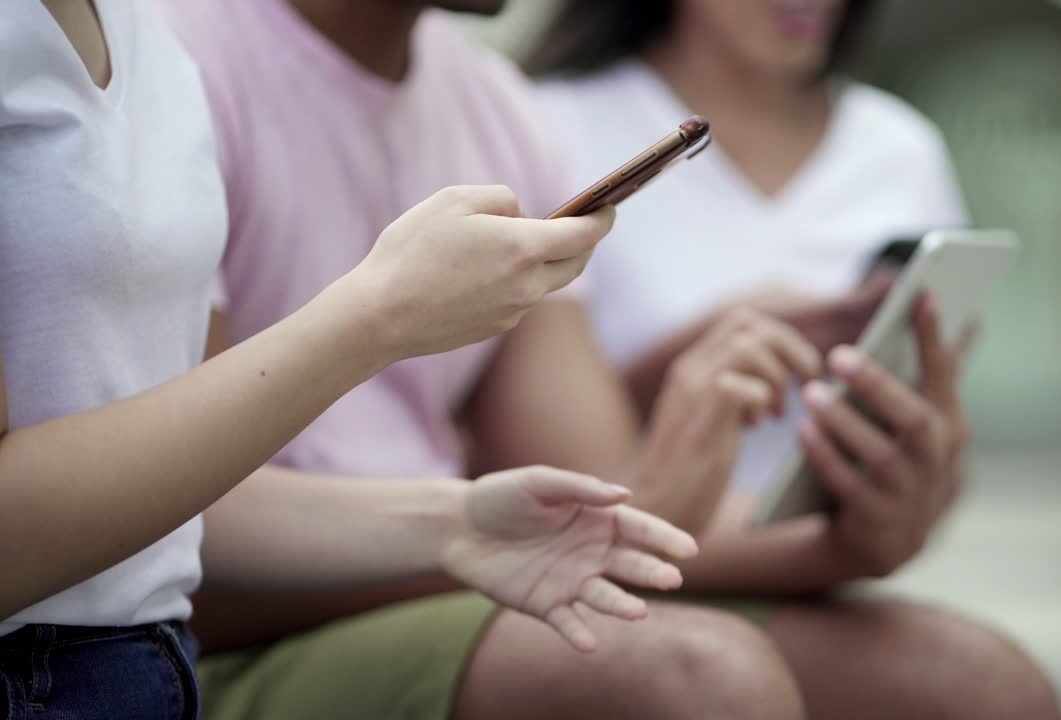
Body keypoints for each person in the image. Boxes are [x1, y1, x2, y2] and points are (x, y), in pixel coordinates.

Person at [161, 0, 1061, 719]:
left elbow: (610, 501)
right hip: (249, 635)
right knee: (704, 680)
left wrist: (852, 535)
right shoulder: (182, 59)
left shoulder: (497, 109)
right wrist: (475, 528)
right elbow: (175, 542)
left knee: (985, 689)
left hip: (449, 578)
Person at [0, 1, 698, 717]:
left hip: (149, 658)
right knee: (695, 675)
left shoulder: (141, 33)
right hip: (86, 662)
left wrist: (453, 525)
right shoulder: (198, 41)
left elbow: (173, 503)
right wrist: (376, 316)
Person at [530, 0, 1061, 716]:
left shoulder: (900, 149)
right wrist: (701, 352)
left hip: (812, 591)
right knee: (984, 688)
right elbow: (555, 493)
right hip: (620, 581)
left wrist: (912, 488)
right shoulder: (547, 126)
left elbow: (938, 465)